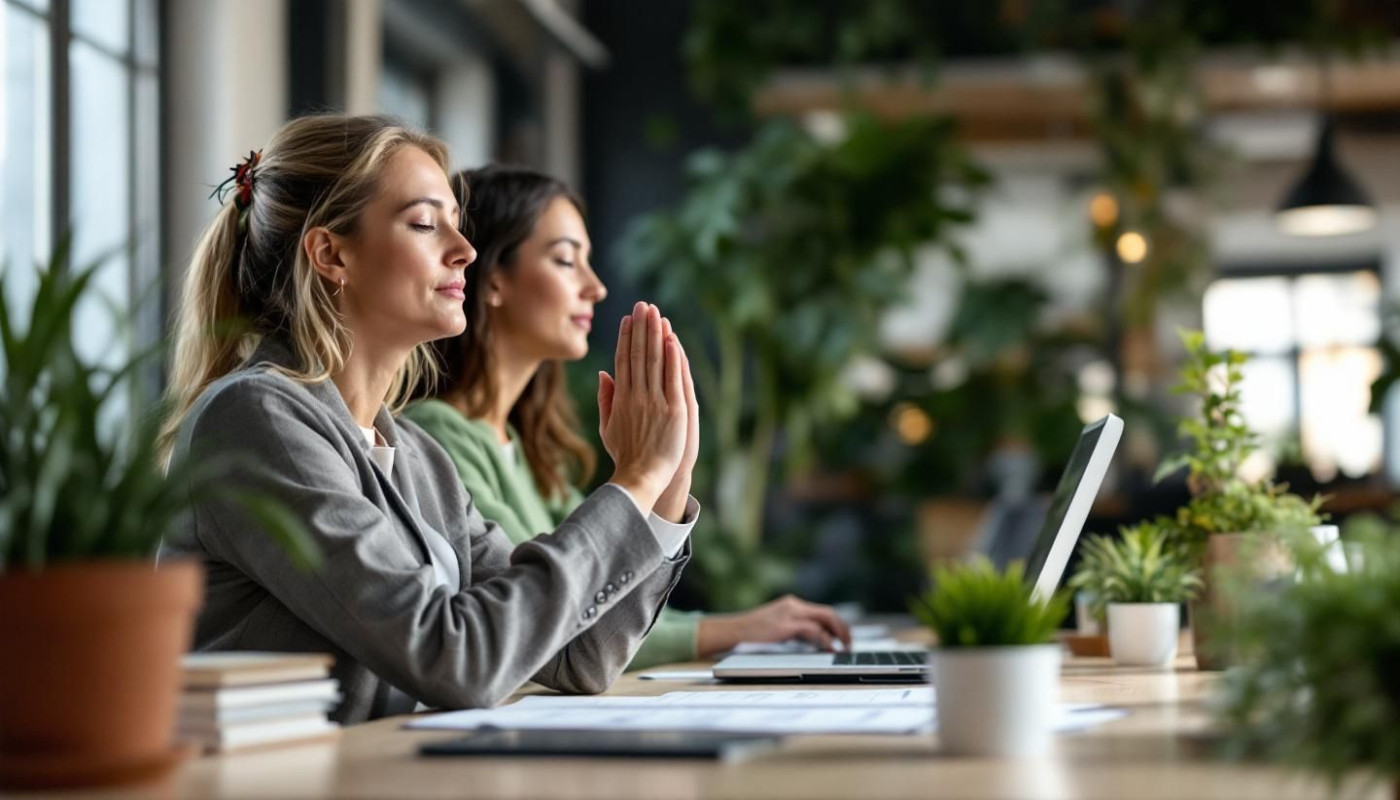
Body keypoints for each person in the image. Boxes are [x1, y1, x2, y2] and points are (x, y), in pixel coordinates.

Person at [157, 115, 700, 724]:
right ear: (332, 253)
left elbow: (581, 656)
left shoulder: (417, 457)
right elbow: (456, 662)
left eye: (457, 224)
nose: (465, 250)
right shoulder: (256, 420)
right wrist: (632, 485)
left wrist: (664, 489)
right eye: (423, 223)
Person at [404, 165, 851, 670]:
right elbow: (551, 613)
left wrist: (674, 478)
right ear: (491, 278)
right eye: (566, 261)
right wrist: (738, 629)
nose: (594, 287)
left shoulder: (519, 446)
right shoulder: (438, 434)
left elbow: (611, 595)